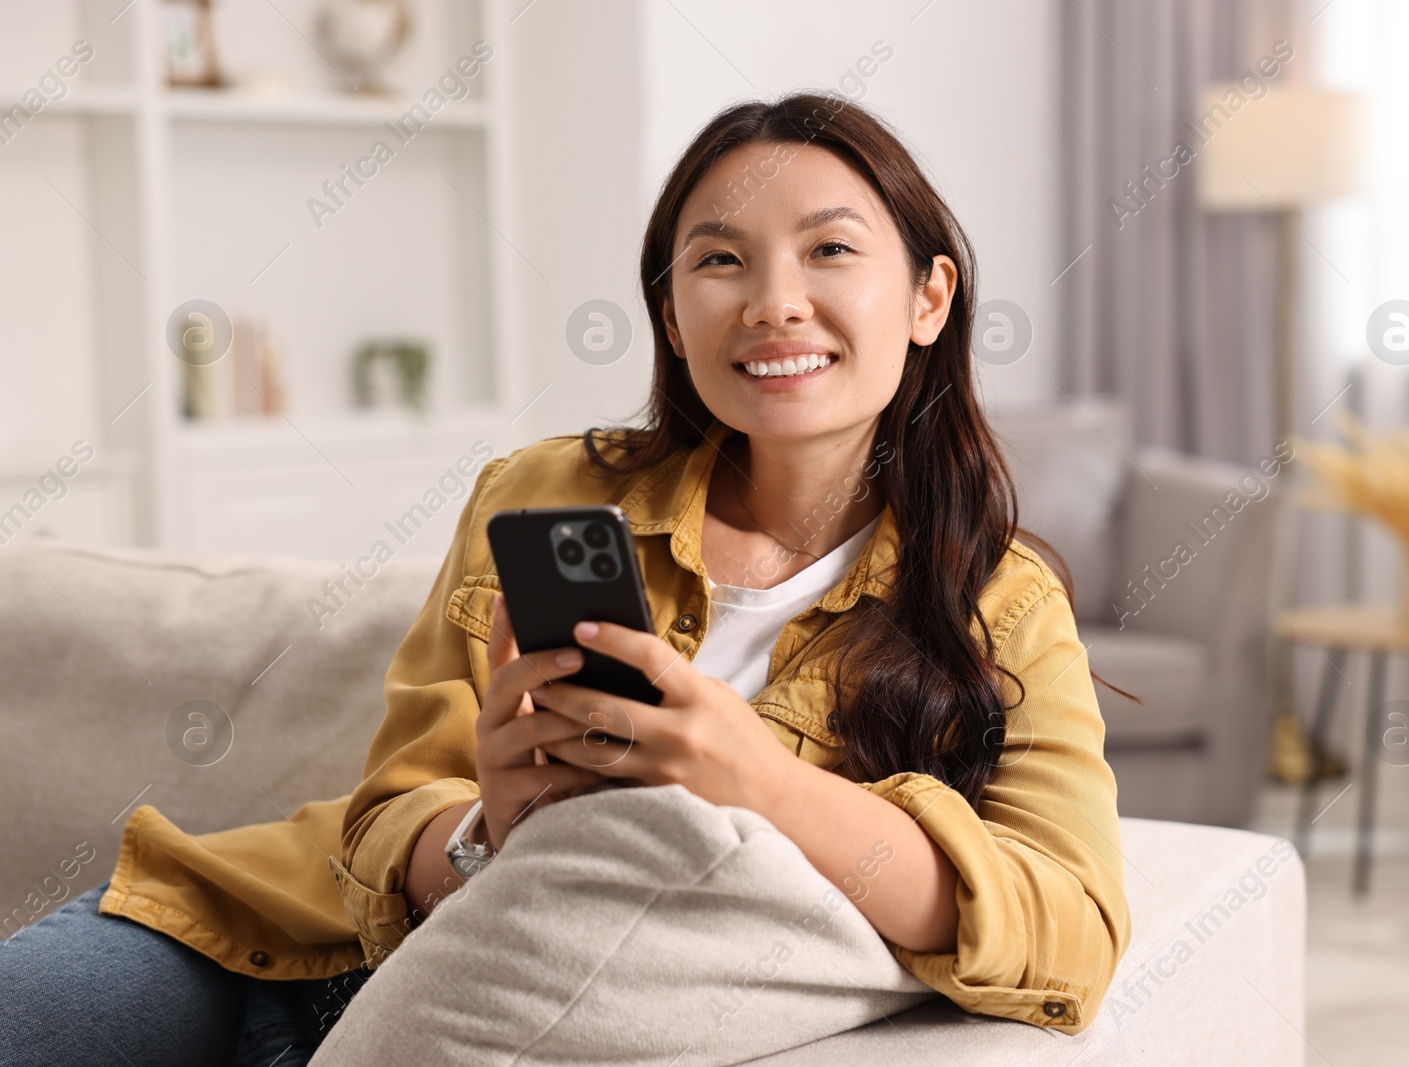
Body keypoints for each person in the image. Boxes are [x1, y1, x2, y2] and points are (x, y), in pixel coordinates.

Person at [0, 91, 1130, 1065]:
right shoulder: (548, 494)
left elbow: (1071, 927)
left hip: (514, 1014)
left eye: (830, 250)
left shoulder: (1003, 602)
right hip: (263, 939)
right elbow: (390, 810)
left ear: (928, 298)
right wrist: (494, 824)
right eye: (720, 259)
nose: (773, 300)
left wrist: (760, 780)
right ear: (674, 320)